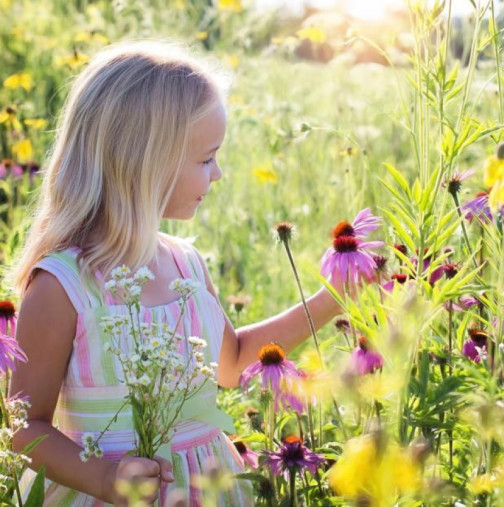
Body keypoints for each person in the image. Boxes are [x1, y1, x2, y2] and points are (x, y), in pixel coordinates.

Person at [7, 40, 342, 506]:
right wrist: (105, 478)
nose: (218, 174)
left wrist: (333, 298)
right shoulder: (63, 286)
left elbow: (233, 363)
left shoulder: (186, 263)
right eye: (206, 159)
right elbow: (24, 429)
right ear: (144, 164)